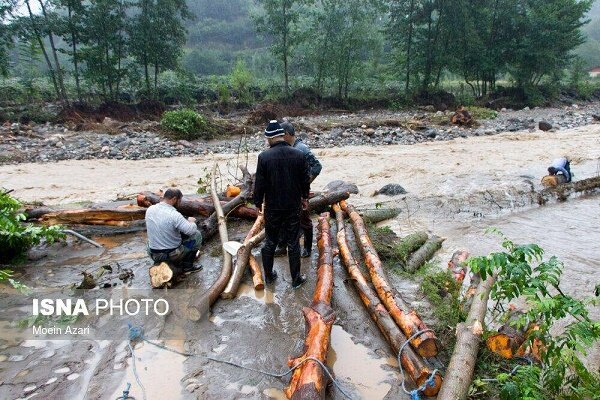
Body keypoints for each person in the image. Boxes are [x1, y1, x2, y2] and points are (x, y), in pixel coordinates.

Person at [254, 120, 311, 289]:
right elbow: (304, 180)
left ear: (270, 138)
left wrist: (258, 202)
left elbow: (260, 183)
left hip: (272, 207)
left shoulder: (264, 157)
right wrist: (305, 198)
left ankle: (269, 276)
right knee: (293, 242)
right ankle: (296, 279)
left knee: (270, 241)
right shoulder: (298, 154)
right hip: (293, 206)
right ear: (281, 135)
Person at [273, 121, 322, 258]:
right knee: (283, 219)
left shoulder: (302, 149)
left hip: (299, 192)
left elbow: (317, 167)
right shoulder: (288, 148)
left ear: (288, 134)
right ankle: (282, 246)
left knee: (304, 219)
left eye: (281, 136)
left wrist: (304, 183)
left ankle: (307, 248)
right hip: (286, 191)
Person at [146, 188, 203, 273]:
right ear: (174, 199)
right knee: (197, 235)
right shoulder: (174, 215)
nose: (180, 203)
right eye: (180, 201)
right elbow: (190, 231)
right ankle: (188, 267)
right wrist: (192, 222)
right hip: (171, 255)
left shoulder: (150, 210)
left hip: (153, 254)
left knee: (151, 238)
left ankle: (158, 261)